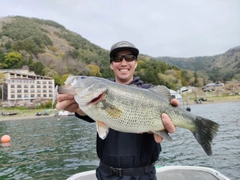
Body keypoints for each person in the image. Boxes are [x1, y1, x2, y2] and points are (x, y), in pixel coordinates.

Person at [56, 40, 179, 180]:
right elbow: (87, 113)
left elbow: (169, 112)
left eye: (130, 58)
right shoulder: (98, 94)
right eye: (117, 58)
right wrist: (78, 108)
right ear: (111, 64)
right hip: (107, 175)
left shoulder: (149, 92)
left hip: (144, 175)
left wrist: (171, 121)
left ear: (136, 63)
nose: (123, 62)